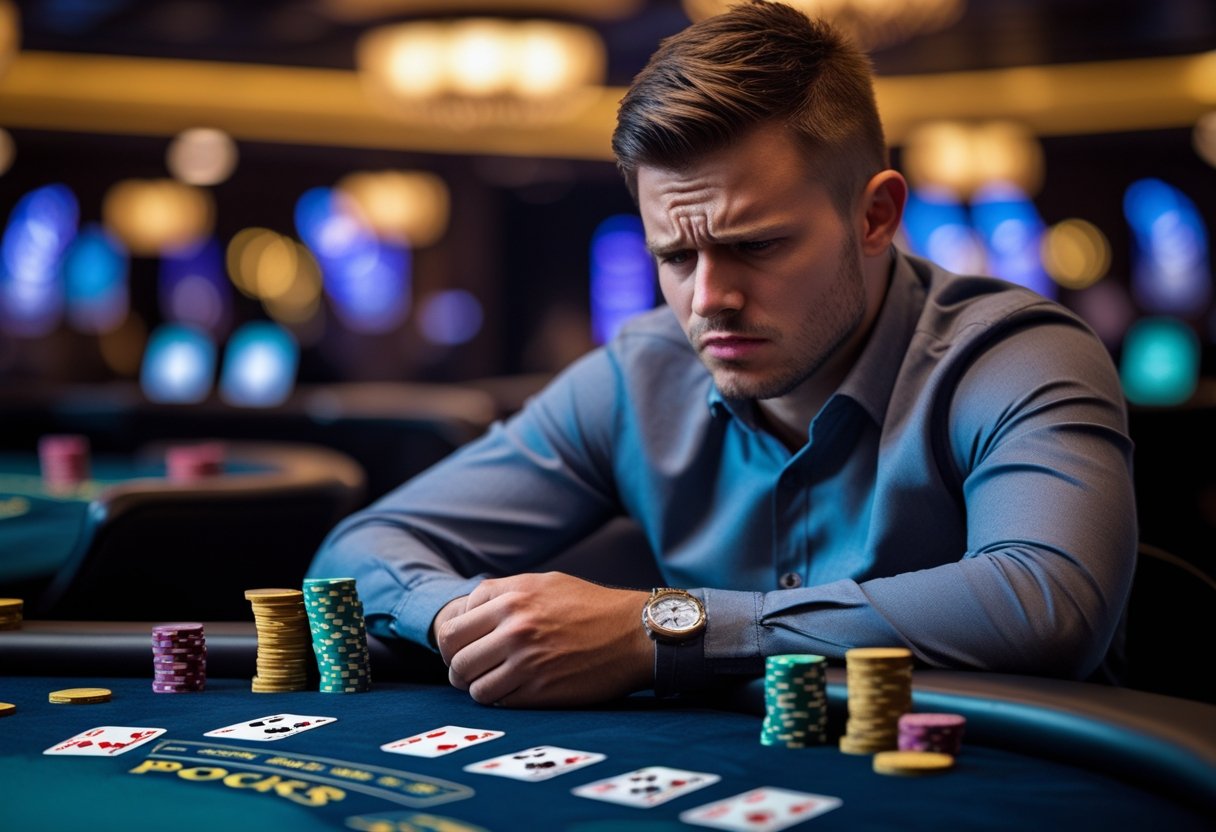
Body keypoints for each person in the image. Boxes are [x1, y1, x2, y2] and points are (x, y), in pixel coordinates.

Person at [307, 1, 1137, 708]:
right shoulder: (640, 375)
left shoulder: (1017, 355)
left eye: (759, 245)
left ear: (875, 217)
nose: (709, 299)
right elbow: (358, 550)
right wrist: (461, 616)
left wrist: (663, 630)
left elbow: (1045, 602)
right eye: (675, 257)